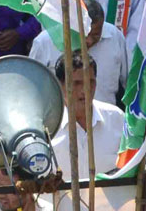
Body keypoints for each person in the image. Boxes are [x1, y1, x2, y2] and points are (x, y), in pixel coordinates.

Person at [50, 51, 126, 181]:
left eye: (90, 82)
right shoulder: (47, 128)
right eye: (76, 83)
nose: (85, 90)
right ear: (60, 85)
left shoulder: (116, 119)